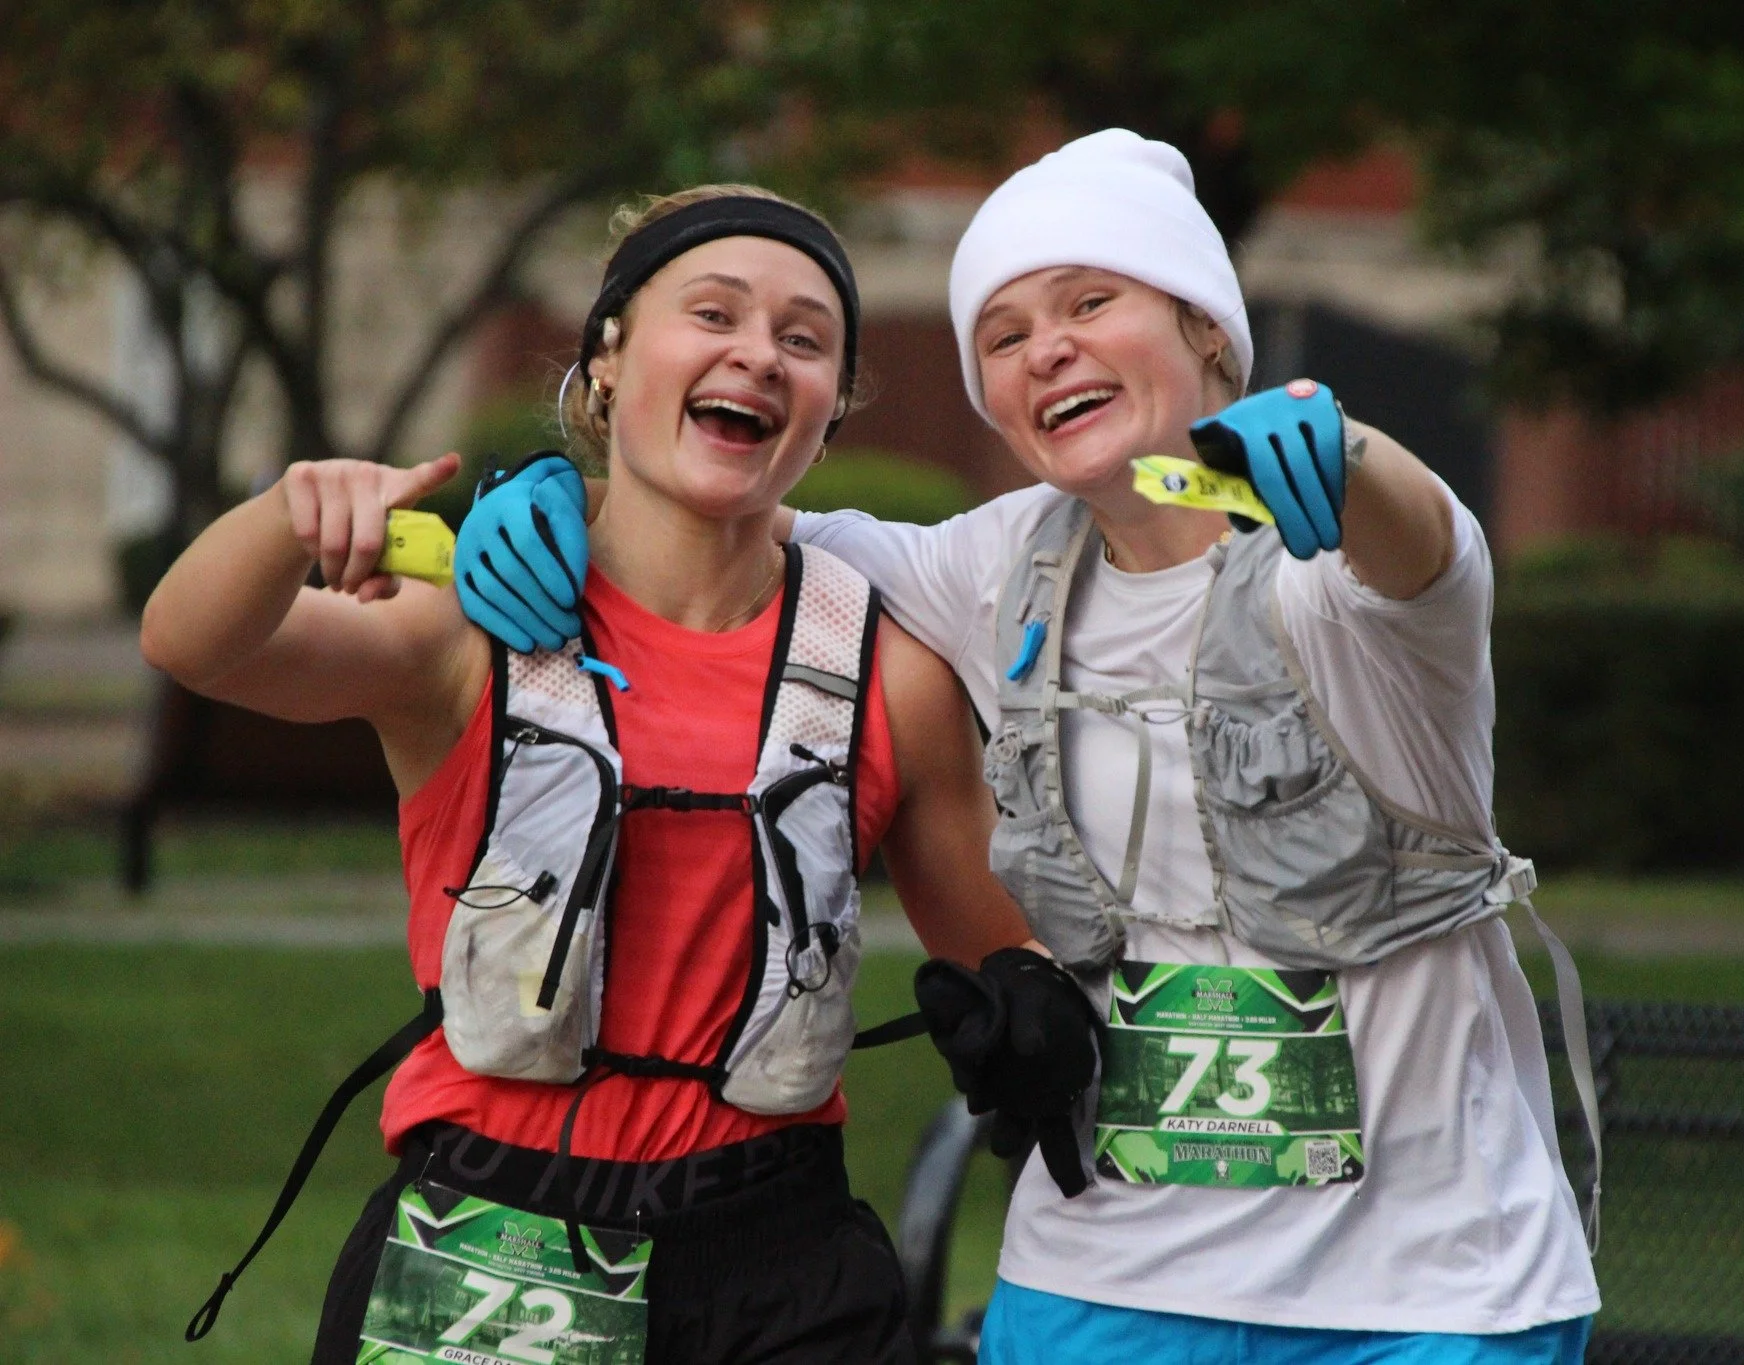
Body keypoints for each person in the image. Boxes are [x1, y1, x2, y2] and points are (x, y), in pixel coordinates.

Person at [457, 132, 1601, 1365]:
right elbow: (718, 507)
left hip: (1418, 1292)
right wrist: (551, 494)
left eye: (1090, 302)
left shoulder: (1342, 574)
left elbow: (1423, 546)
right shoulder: (996, 565)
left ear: (1207, 329)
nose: (1044, 347)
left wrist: (1352, 453)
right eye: (1001, 336)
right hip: (1099, 1281)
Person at [140, 184, 1034, 1365]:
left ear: (831, 409)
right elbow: (196, 643)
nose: (757, 356)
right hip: (487, 1246)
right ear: (607, 356)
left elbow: (1005, 968)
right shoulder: (468, 625)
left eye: (803, 339)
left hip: (782, 1260)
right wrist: (288, 515)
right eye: (712, 314)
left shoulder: (891, 675)